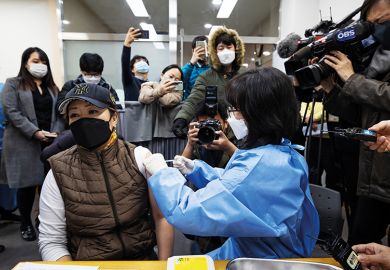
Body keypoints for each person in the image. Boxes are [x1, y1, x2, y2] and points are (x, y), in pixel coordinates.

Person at [143, 68, 320, 260]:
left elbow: (186, 211)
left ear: (256, 114)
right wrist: (197, 169)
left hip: (262, 258)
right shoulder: (284, 153)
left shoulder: (260, 164)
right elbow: (241, 186)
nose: (230, 117)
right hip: (255, 246)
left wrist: (162, 173)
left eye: (235, 110)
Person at [38, 83, 173, 261]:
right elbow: (52, 241)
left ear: (114, 117)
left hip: (142, 260)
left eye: (93, 111)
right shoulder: (58, 172)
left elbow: (161, 217)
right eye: (75, 115)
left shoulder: (139, 157)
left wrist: (162, 266)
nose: (83, 121)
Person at [318, 0, 390, 245]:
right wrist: (331, 90)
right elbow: (362, 114)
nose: (378, 29)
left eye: (382, 21)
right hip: (372, 175)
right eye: (372, 25)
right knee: (360, 247)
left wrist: (352, 78)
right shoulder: (374, 58)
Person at [0, 47, 62, 241]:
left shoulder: (52, 87)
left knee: (48, 184)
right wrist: (34, 132)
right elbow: (11, 111)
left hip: (49, 142)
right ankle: (25, 222)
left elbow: (60, 112)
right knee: (26, 186)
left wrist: (56, 132)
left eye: (43, 62)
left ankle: (42, 220)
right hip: (24, 142)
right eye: (35, 61)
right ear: (25, 63)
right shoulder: (13, 84)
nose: (40, 65)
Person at [172, 26, 245, 138]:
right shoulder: (206, 77)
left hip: (242, 133)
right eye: (221, 48)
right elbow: (193, 99)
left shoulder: (244, 77)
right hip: (214, 132)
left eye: (229, 47)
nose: (225, 51)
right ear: (215, 51)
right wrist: (181, 118)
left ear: (236, 49)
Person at [182, 101, 236, 168]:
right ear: (197, 124)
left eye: (214, 123)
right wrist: (189, 145)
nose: (209, 128)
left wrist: (228, 147)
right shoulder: (196, 139)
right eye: (203, 123)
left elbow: (246, 165)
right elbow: (181, 170)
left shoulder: (236, 138)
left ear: (226, 123)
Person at [122, 27, 150, 101]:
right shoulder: (130, 81)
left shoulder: (152, 85)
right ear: (132, 69)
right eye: (138, 61)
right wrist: (127, 44)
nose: (142, 62)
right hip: (133, 113)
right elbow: (125, 63)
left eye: (144, 61)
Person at [182, 36, 210, 100]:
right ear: (193, 51)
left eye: (206, 49)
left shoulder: (214, 68)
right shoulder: (189, 68)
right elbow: (179, 83)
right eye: (199, 49)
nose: (202, 51)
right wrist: (191, 63)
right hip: (190, 105)